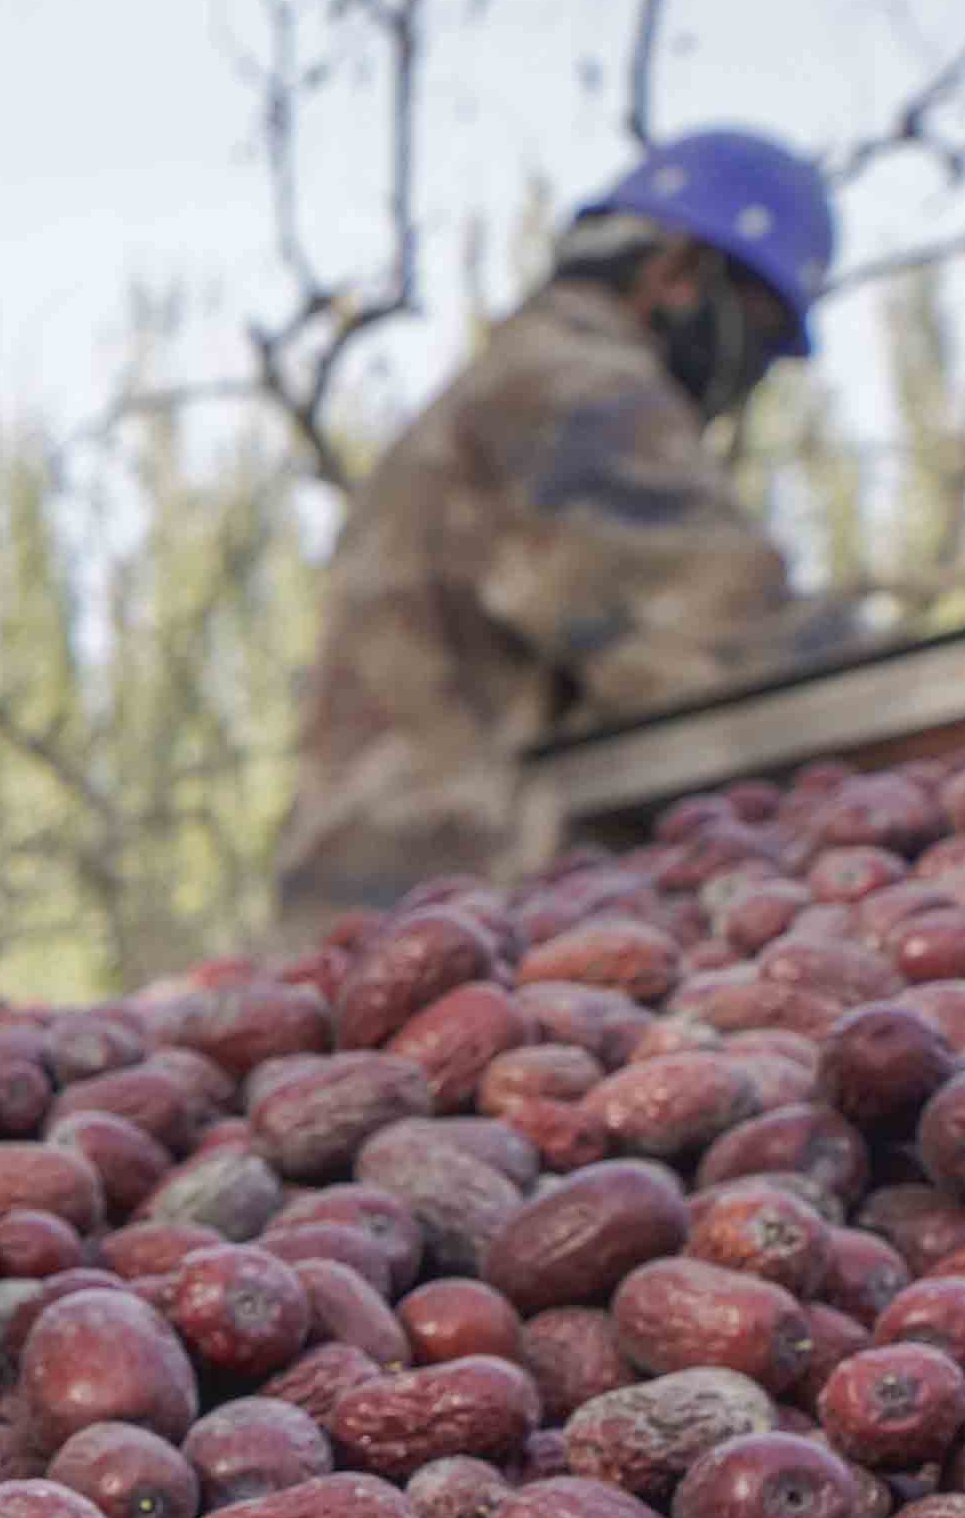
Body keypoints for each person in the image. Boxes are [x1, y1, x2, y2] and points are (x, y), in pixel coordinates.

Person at [262, 127, 835, 931]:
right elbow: (732, 650)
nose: (754, 376)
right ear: (677, 274)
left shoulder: (508, 380)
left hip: (411, 921)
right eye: (762, 334)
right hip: (454, 918)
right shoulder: (569, 386)